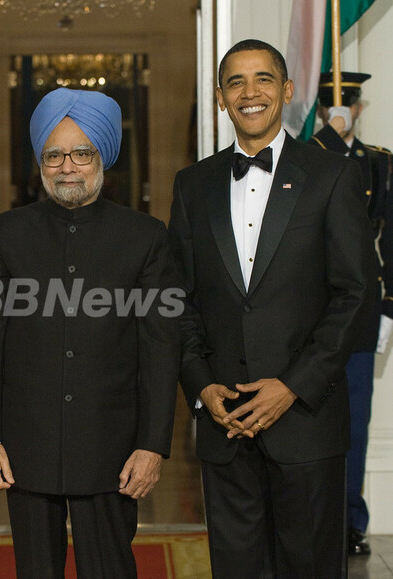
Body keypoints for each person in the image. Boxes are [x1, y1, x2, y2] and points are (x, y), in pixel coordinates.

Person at [168, 39, 375, 577]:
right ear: (220, 98)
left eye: (263, 78)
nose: (249, 92)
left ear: (286, 91)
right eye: (235, 82)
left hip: (306, 421)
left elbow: (354, 293)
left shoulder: (333, 175)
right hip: (225, 424)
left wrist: (292, 386)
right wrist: (201, 385)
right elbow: (177, 299)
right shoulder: (192, 185)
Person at [0, 87, 179, 578]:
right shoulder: (5, 233)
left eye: (81, 153)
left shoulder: (145, 236)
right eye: (54, 155)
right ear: (40, 161)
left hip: (113, 447)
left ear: (102, 157)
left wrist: (152, 446)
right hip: (26, 445)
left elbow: (160, 348)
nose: (67, 167)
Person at [310, 71, 393, 556]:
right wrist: (328, 138)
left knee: (355, 419)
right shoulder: (307, 155)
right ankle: (314, 517)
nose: (339, 113)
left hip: (362, 305)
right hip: (312, 307)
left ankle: (349, 519)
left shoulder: (378, 162)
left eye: (345, 106)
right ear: (322, 112)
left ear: (359, 108)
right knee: (309, 417)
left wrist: (389, 306)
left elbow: (390, 237)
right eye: (329, 108)